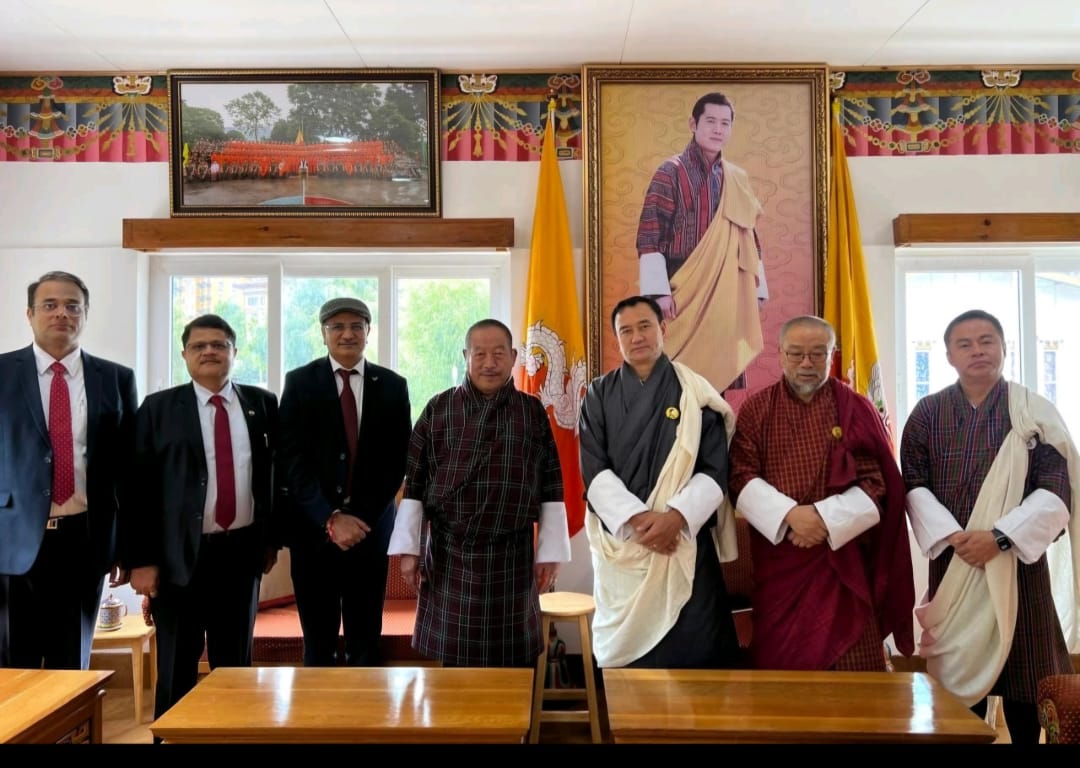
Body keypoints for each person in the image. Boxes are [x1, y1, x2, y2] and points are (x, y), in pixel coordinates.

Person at [900, 308, 1080, 745]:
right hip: (955, 564)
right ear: (948, 355)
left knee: (1026, 677)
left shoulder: (1033, 411)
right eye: (964, 344)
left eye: (987, 341)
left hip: (1017, 568)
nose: (977, 351)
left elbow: (1057, 489)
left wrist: (999, 538)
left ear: (1003, 348)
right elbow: (913, 483)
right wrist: (956, 539)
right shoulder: (927, 413)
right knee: (959, 681)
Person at [728, 315, 914, 671]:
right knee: (782, 670)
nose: (806, 363)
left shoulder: (856, 407)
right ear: (780, 354)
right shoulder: (757, 409)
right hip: (781, 560)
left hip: (842, 562)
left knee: (854, 666)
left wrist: (823, 520)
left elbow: (877, 484)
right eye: (796, 353)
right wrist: (791, 517)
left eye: (817, 354)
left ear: (832, 355)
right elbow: (739, 475)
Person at [388, 319, 570, 667]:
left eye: (499, 354)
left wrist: (550, 552)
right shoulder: (439, 408)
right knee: (456, 665)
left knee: (515, 662)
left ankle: (517, 706)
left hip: (512, 555)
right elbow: (415, 483)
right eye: (480, 354)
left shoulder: (531, 412)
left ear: (513, 357)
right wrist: (409, 551)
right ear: (465, 356)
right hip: (450, 555)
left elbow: (551, 484)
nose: (489, 363)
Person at [122, 314, 279, 718]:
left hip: (240, 556)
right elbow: (136, 488)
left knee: (234, 667)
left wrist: (270, 543)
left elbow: (273, 479)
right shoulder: (158, 409)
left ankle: (231, 736)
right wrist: (140, 560)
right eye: (199, 346)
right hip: (176, 560)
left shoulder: (262, 404)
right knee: (176, 666)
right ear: (185, 355)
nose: (209, 351)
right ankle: (171, 737)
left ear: (234, 352)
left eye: (219, 345)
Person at [579, 295, 742, 668]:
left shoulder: (695, 391)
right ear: (617, 339)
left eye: (645, 326)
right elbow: (594, 470)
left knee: (698, 650)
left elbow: (713, 469)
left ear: (663, 329)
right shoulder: (598, 395)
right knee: (633, 664)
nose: (636, 337)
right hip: (625, 542)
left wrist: (675, 519)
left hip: (683, 540)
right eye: (626, 331)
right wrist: (639, 523)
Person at [0, 270, 138, 670]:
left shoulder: (116, 378)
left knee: (71, 665)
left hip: (85, 540)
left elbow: (129, 471)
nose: (62, 313)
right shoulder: (3, 373)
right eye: (50, 305)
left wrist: (127, 547)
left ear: (85, 314)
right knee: (14, 667)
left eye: (72, 306)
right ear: (30, 314)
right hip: (11, 540)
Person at [278, 298, 411, 666]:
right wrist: (330, 517)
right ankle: (317, 705)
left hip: (370, 531)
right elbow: (290, 460)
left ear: (368, 332)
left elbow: (397, 461)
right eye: (337, 327)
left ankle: (364, 704)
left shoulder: (393, 385)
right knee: (318, 642)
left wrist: (359, 519)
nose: (347, 334)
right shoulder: (300, 382)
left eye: (356, 326)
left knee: (365, 640)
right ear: (324, 334)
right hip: (314, 533)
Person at [637, 91, 768, 394]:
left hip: (725, 289)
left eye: (725, 123)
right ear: (693, 124)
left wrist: (757, 287)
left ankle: (713, 425)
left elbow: (749, 236)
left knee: (715, 383)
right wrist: (658, 292)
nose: (718, 129)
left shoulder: (736, 178)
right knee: (674, 379)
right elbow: (650, 233)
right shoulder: (670, 172)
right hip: (680, 287)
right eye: (710, 121)